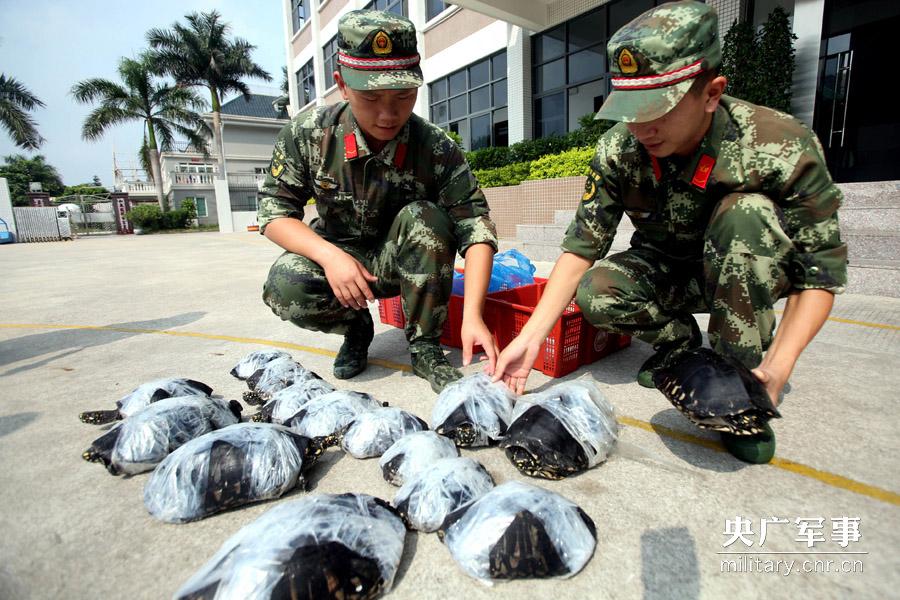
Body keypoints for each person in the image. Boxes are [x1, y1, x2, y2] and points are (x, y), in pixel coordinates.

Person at [490, 0, 847, 463]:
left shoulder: (778, 143)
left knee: (746, 214)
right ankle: (678, 345)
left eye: (657, 109)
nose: (641, 127)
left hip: (741, 270)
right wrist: (533, 336)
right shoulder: (620, 148)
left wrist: (777, 368)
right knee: (595, 290)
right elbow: (582, 247)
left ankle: (737, 385)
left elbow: (819, 274)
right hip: (665, 272)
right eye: (630, 109)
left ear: (712, 93)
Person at [258, 10, 499, 393]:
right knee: (286, 283)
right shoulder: (308, 135)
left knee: (426, 217)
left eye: (404, 96)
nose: (388, 114)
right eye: (370, 97)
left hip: (403, 262)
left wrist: (473, 315)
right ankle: (356, 328)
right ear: (341, 84)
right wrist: (330, 257)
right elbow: (274, 213)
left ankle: (425, 347)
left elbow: (476, 225)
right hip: (342, 264)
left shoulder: (435, 146)